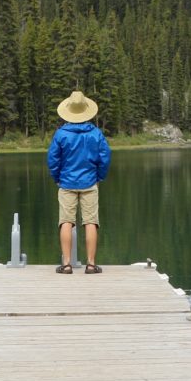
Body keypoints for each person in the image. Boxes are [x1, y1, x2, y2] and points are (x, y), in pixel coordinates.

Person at [47, 90, 111, 274]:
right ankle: (91, 265)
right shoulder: (96, 133)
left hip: (66, 183)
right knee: (91, 222)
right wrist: (99, 176)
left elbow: (53, 159)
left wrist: (57, 177)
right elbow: (105, 157)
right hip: (90, 183)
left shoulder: (61, 134)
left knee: (66, 222)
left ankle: (66, 264)